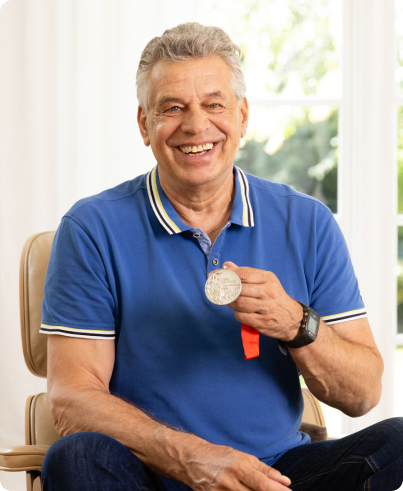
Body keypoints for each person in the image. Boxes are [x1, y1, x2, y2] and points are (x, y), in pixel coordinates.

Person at [39, 23, 402, 491]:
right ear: (144, 125)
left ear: (243, 116)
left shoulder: (309, 222)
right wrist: (191, 457)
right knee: (76, 456)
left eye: (214, 104)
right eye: (172, 108)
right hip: (148, 475)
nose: (196, 125)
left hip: (275, 475)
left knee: (397, 439)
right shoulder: (92, 228)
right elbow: (72, 398)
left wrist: (296, 322)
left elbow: (364, 393)